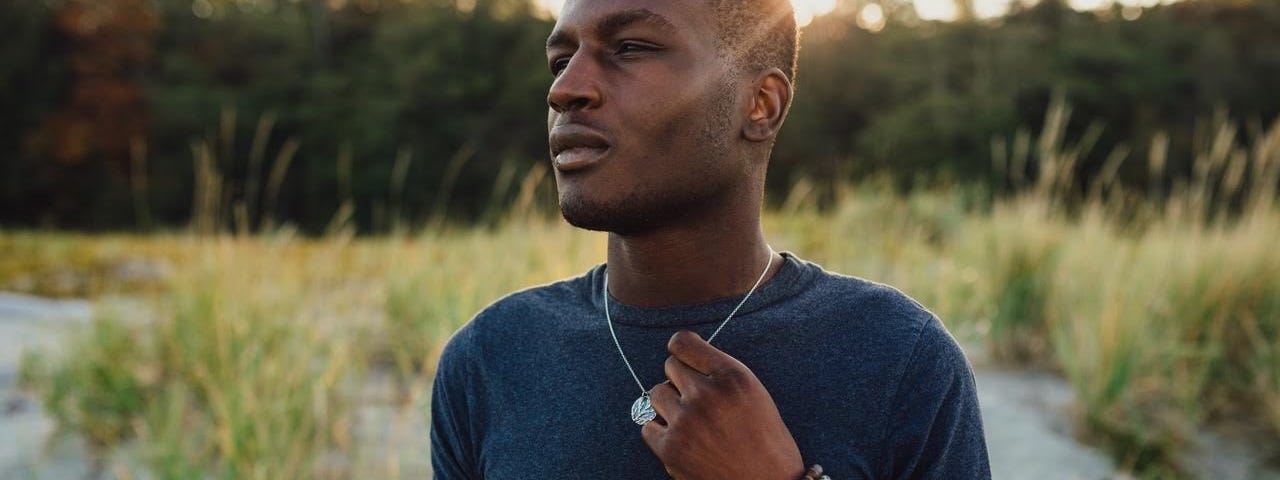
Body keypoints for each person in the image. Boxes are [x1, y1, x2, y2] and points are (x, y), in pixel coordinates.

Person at [430, 0, 991, 477]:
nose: (566, 89)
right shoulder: (489, 360)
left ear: (760, 105)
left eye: (630, 48)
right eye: (560, 60)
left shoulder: (899, 357)